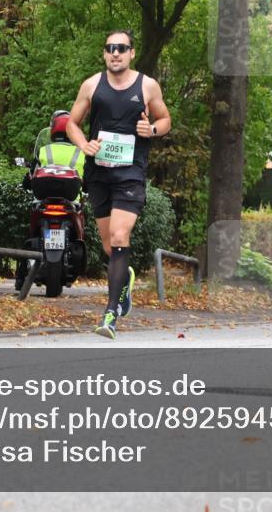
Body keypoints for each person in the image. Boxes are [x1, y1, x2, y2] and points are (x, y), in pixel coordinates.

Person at [67, 30, 172, 339]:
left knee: (120, 234)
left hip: (130, 173)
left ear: (131, 53)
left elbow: (166, 120)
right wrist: (84, 144)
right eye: (110, 48)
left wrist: (151, 128)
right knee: (108, 245)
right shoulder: (92, 85)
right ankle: (123, 280)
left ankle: (110, 313)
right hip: (99, 173)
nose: (116, 53)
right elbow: (72, 123)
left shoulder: (147, 85)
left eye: (122, 48)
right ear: (104, 54)